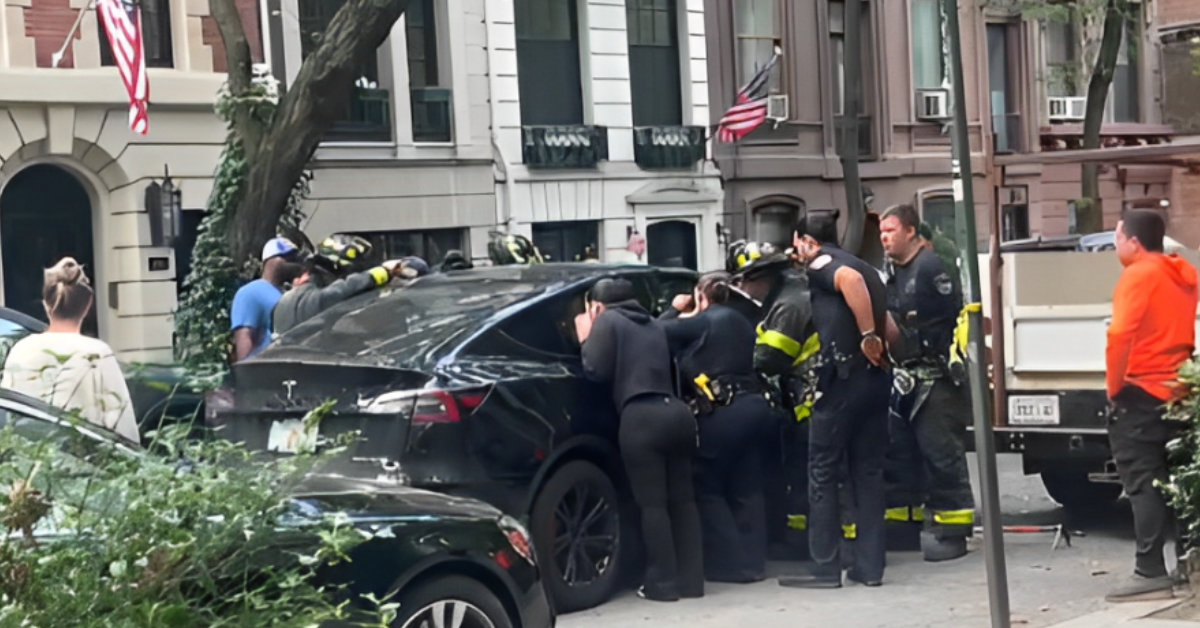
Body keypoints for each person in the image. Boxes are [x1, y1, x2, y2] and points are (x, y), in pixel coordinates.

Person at [779, 208, 890, 589]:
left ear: (807, 242)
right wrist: (883, 350)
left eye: (797, 245)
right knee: (869, 473)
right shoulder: (866, 264)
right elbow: (889, 321)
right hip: (875, 382)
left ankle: (825, 566)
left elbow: (850, 282)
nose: (795, 252)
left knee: (822, 469)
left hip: (841, 381)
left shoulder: (824, 263)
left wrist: (867, 336)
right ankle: (870, 568)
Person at [575, 278, 703, 602]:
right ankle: (692, 581)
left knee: (653, 504)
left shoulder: (607, 320)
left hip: (642, 416)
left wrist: (585, 337)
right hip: (675, 412)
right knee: (684, 500)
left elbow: (595, 369)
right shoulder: (653, 325)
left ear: (598, 306)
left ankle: (663, 583)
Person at [1103, 210, 1198, 603]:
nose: (1114, 245)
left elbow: (1120, 334)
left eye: (1117, 237)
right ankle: (1189, 562)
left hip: (1141, 391)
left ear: (1134, 241)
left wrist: (1114, 388)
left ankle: (1150, 570)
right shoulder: (1184, 274)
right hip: (1181, 390)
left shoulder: (1138, 275)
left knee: (1144, 482)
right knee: (1180, 481)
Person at [662, 271, 776, 583]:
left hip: (725, 412)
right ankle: (753, 564)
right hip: (755, 407)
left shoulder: (706, 319)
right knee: (747, 487)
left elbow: (656, 332)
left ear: (702, 295)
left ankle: (729, 563)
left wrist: (676, 308)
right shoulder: (739, 319)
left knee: (706, 484)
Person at [878, 204, 975, 562]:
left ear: (909, 230)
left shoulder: (931, 269)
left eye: (889, 230)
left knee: (941, 455)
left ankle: (953, 531)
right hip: (906, 376)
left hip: (936, 377)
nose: (884, 238)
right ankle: (903, 524)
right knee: (900, 454)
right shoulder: (895, 271)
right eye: (881, 233)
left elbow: (948, 320)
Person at [726, 240, 817, 556]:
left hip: (812, 401)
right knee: (801, 471)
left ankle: (814, 545)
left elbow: (770, 357)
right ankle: (803, 539)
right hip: (803, 399)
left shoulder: (790, 304)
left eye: (745, 281)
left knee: (809, 472)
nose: (745, 290)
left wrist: (733, 356)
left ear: (761, 276)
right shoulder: (787, 295)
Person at [1, 258, 138, 443]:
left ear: (46, 305)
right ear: (88, 305)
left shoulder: (21, 350)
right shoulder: (97, 353)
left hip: (32, 463)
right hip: (83, 461)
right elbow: (122, 423)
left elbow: (8, 417)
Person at [272, 235, 423, 335]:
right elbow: (341, 291)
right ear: (337, 270)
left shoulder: (287, 300)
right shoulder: (318, 301)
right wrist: (383, 272)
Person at [230, 236, 302, 362]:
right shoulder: (250, 292)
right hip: (265, 371)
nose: (295, 264)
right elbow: (245, 336)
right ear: (272, 260)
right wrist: (248, 373)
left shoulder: (285, 292)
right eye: (289, 259)